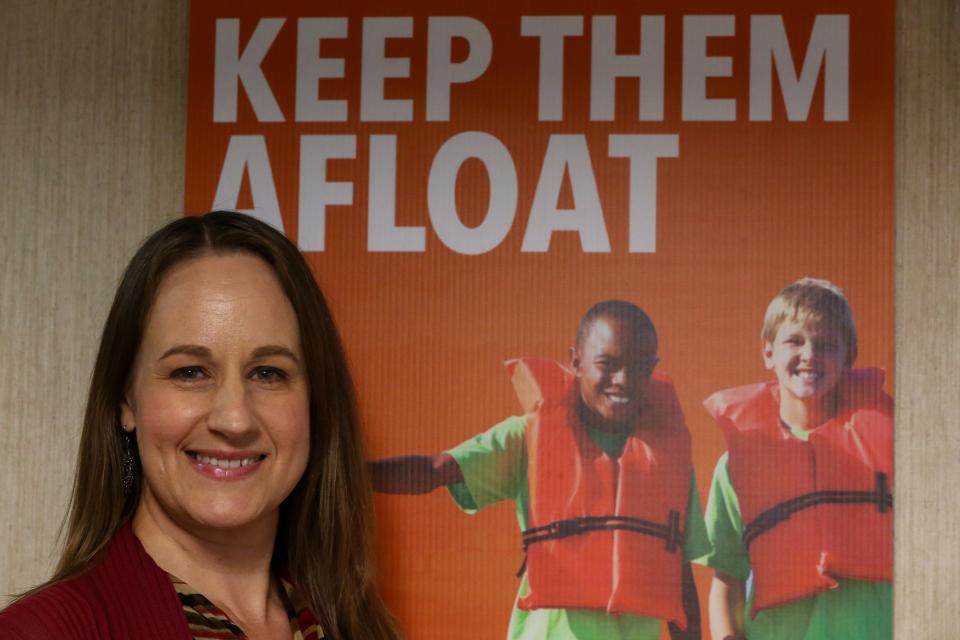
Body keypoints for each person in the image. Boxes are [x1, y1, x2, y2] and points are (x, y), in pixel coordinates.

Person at [0, 211, 400, 640]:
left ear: (315, 400)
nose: (234, 419)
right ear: (125, 401)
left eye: (268, 373)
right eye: (190, 372)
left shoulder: (357, 628)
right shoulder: (41, 632)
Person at [371, 300, 707, 640]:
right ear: (576, 360)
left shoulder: (667, 459)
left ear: (654, 366)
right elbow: (434, 469)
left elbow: (679, 576)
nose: (623, 380)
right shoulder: (527, 437)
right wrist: (348, 474)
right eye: (607, 364)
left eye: (638, 367)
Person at [697, 278, 893, 640]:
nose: (809, 355)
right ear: (768, 353)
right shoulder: (736, 466)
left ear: (849, 357)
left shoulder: (899, 452)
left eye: (826, 344)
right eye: (795, 341)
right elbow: (726, 582)